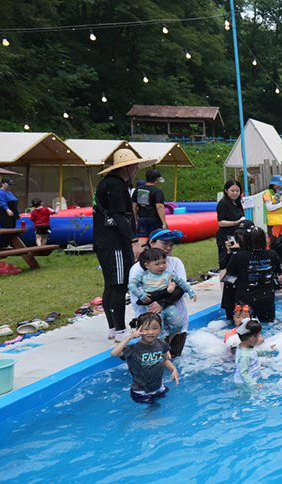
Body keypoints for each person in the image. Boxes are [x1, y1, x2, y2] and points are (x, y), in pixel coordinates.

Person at [95, 148, 157, 341]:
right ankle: (121, 331)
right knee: (119, 286)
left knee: (111, 286)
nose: (137, 168)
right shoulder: (114, 185)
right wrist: (134, 241)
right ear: (126, 167)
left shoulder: (110, 183)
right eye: (135, 165)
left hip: (105, 241)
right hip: (115, 244)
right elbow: (118, 216)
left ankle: (114, 328)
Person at [129, 228, 191, 356]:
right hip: (151, 324)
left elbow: (181, 289)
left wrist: (162, 303)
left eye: (171, 245)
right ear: (151, 243)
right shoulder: (138, 269)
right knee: (156, 360)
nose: (168, 248)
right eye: (164, 243)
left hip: (178, 318)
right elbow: (142, 299)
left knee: (175, 357)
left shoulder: (175, 262)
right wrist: (168, 291)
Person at [110, 313, 178, 404]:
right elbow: (114, 353)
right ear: (138, 329)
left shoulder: (161, 344)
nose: (151, 332)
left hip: (159, 388)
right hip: (141, 392)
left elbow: (165, 360)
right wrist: (130, 337)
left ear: (160, 328)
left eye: (155, 328)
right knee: (152, 409)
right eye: (146, 329)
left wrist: (173, 369)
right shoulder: (133, 349)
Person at [226, 226, 282, 323]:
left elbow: (230, 272)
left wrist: (232, 252)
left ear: (246, 241)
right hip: (267, 300)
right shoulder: (272, 254)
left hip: (246, 302)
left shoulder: (239, 256)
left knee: (246, 331)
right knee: (270, 324)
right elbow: (280, 271)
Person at [234, 320, 277, 388]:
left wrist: (268, 349)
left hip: (251, 379)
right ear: (252, 338)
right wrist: (254, 384)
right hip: (244, 384)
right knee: (246, 397)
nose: (260, 337)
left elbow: (256, 352)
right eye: (259, 335)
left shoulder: (247, 347)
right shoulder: (245, 355)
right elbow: (243, 373)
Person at [215, 180, 245, 272]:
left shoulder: (238, 202)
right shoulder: (223, 203)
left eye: (237, 191)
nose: (235, 193)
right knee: (226, 261)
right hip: (226, 236)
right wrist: (236, 222)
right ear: (226, 190)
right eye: (232, 191)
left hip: (237, 235)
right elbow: (220, 222)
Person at [133, 168, 168, 240]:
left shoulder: (138, 190)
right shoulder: (157, 191)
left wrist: (136, 220)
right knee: (156, 240)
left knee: (142, 240)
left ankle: (142, 250)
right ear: (157, 179)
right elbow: (159, 207)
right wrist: (164, 222)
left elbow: (134, 206)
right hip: (154, 219)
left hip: (142, 219)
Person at [0, 177, 20, 247]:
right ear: (2, 184)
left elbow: (14, 204)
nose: (10, 186)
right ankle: (5, 245)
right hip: (4, 215)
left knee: (11, 229)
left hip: (11, 215)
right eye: (8, 184)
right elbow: (2, 202)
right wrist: (7, 210)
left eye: (11, 185)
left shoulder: (9, 192)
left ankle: (11, 244)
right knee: (5, 230)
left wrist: (18, 213)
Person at [262, 174, 282, 245]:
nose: (279, 187)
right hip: (273, 222)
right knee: (273, 240)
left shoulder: (279, 192)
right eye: (277, 185)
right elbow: (269, 207)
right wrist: (281, 203)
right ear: (273, 185)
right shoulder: (267, 193)